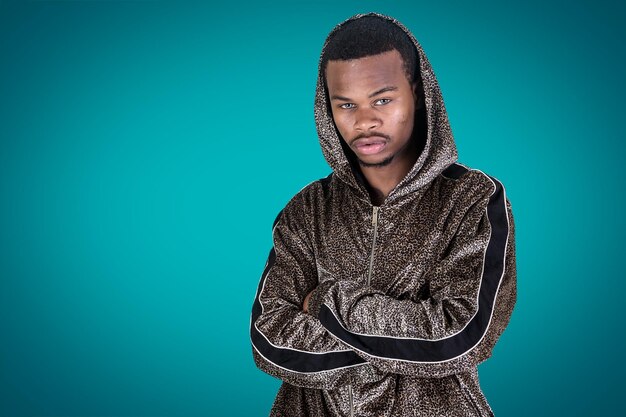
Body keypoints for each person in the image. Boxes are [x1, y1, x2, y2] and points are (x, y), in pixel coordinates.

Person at [250, 12, 516, 417]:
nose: (364, 121)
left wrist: (328, 300)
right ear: (328, 109)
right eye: (346, 105)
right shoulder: (306, 210)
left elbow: (462, 337)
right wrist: (405, 346)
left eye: (383, 99)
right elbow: (271, 341)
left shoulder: (472, 200)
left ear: (418, 91)